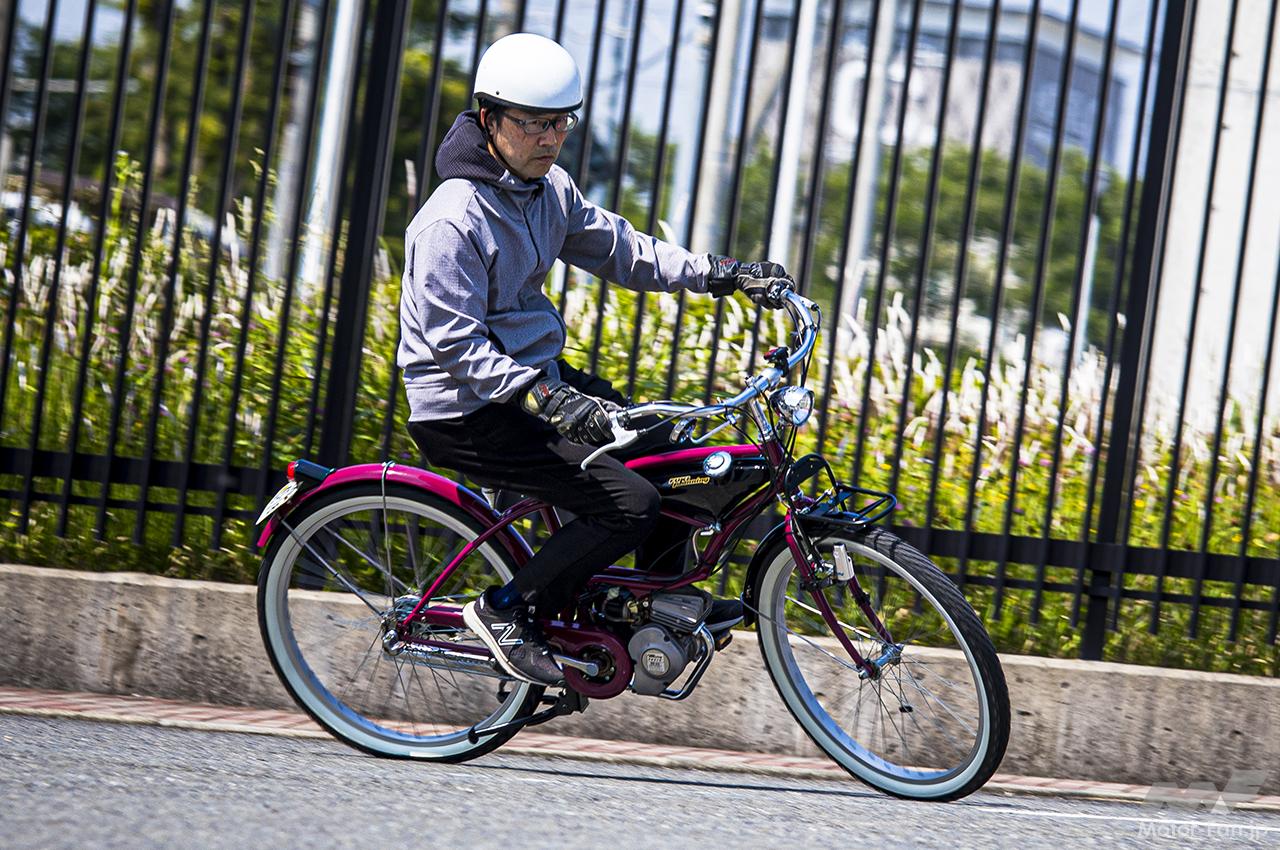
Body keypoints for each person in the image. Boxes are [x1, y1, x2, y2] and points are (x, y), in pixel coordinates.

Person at [400, 33, 795, 686]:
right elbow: (455, 344)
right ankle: (506, 611)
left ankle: (657, 608)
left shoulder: (548, 191)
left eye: (561, 122)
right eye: (534, 124)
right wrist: (545, 399)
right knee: (629, 505)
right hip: (468, 410)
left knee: (676, 457)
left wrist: (719, 272)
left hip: (536, 385)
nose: (551, 138)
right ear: (489, 119)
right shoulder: (452, 222)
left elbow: (623, 250)